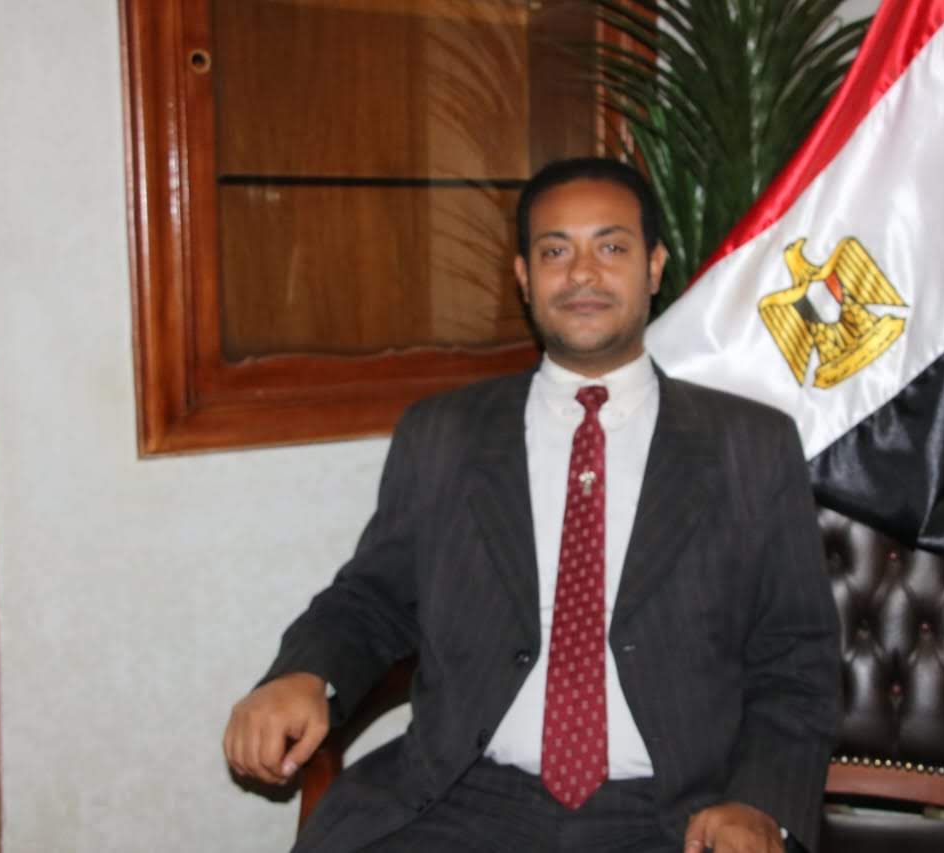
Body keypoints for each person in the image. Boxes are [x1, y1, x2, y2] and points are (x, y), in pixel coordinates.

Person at [223, 157, 840, 853]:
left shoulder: (749, 445)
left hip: (679, 813)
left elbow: (797, 654)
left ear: (654, 266)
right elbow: (373, 597)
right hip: (461, 798)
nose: (582, 274)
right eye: (555, 251)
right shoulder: (444, 433)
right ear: (523, 276)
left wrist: (758, 801)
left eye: (611, 247)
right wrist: (306, 673)